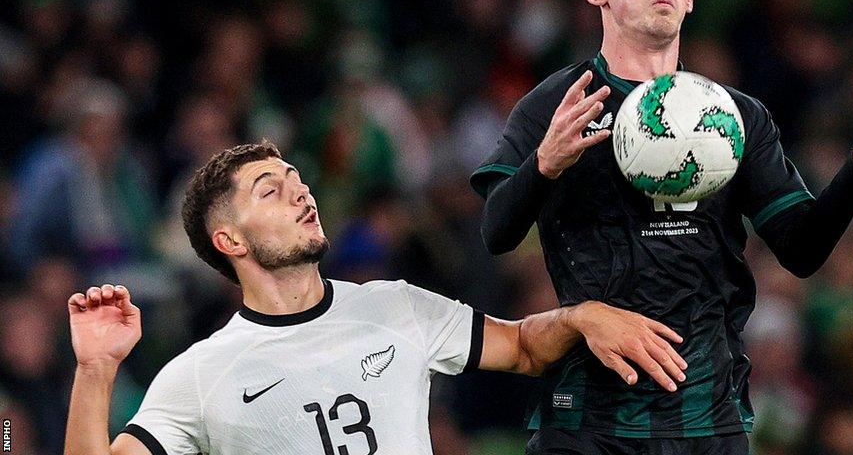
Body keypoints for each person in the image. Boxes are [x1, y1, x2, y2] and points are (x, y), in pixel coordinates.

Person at [470, 0, 853, 455]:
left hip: (706, 420)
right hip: (588, 421)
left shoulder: (735, 117)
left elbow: (802, 250)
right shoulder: (558, 104)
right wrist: (544, 165)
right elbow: (496, 232)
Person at [65, 141, 689, 455]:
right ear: (228, 238)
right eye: (269, 190)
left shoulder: (397, 306)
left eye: (298, 181)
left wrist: (582, 316)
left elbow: (524, 345)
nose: (301, 193)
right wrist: (95, 370)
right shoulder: (199, 374)